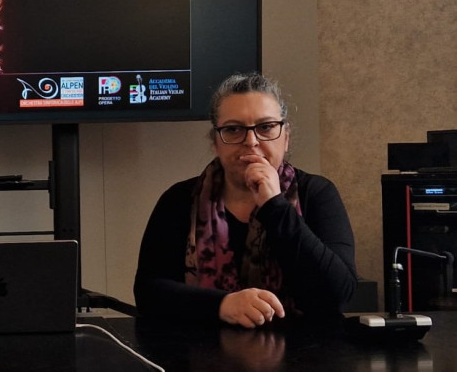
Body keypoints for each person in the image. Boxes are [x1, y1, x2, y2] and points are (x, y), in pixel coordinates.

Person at [134, 73, 357, 328]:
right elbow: (148, 294)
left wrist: (275, 206)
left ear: (286, 138)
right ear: (216, 142)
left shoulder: (317, 193)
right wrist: (221, 305)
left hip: (305, 347)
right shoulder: (179, 200)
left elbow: (339, 296)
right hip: (202, 347)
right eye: (233, 129)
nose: (251, 142)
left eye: (266, 127)